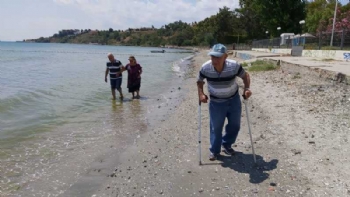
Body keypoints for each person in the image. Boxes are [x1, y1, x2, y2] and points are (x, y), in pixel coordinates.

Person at [197, 43, 252, 161]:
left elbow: (245, 75)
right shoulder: (205, 67)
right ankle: (214, 150)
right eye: (212, 56)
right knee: (216, 127)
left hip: (233, 100)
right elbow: (199, 81)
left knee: (235, 125)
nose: (214, 60)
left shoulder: (234, 66)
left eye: (217, 57)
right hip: (216, 102)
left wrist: (247, 88)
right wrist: (201, 94)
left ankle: (226, 144)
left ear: (225, 57)